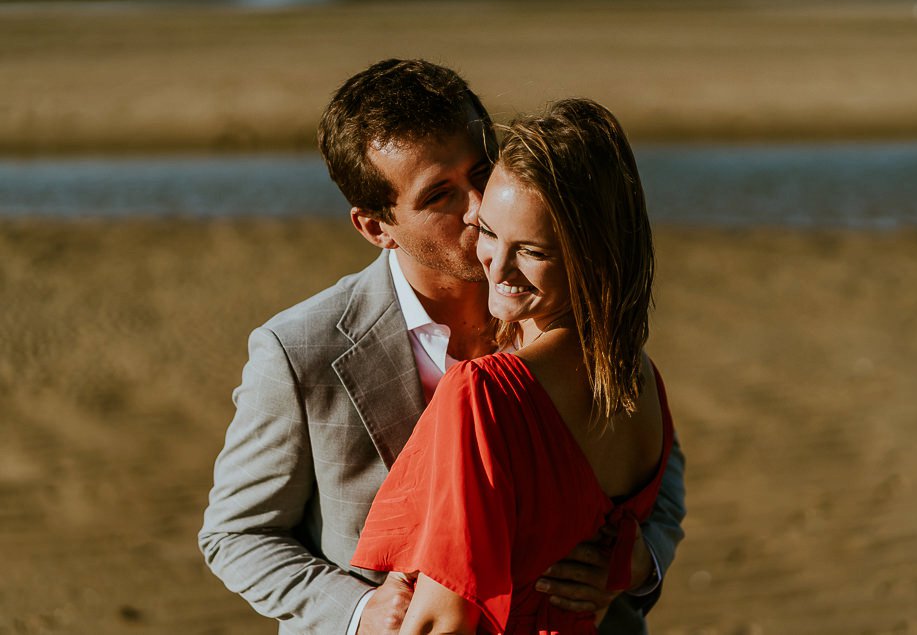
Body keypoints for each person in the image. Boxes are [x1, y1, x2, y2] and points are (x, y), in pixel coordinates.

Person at [199, 60, 686, 635]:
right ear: (375, 227)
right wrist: (358, 610)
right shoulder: (299, 350)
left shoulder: (558, 295)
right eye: (440, 196)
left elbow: (659, 474)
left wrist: (638, 562)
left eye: (481, 170)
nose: (480, 206)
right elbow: (236, 535)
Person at [351, 97, 676, 634]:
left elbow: (443, 623)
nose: (496, 268)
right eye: (489, 233)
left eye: (533, 251)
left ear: (591, 256)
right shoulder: (641, 378)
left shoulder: (484, 392)